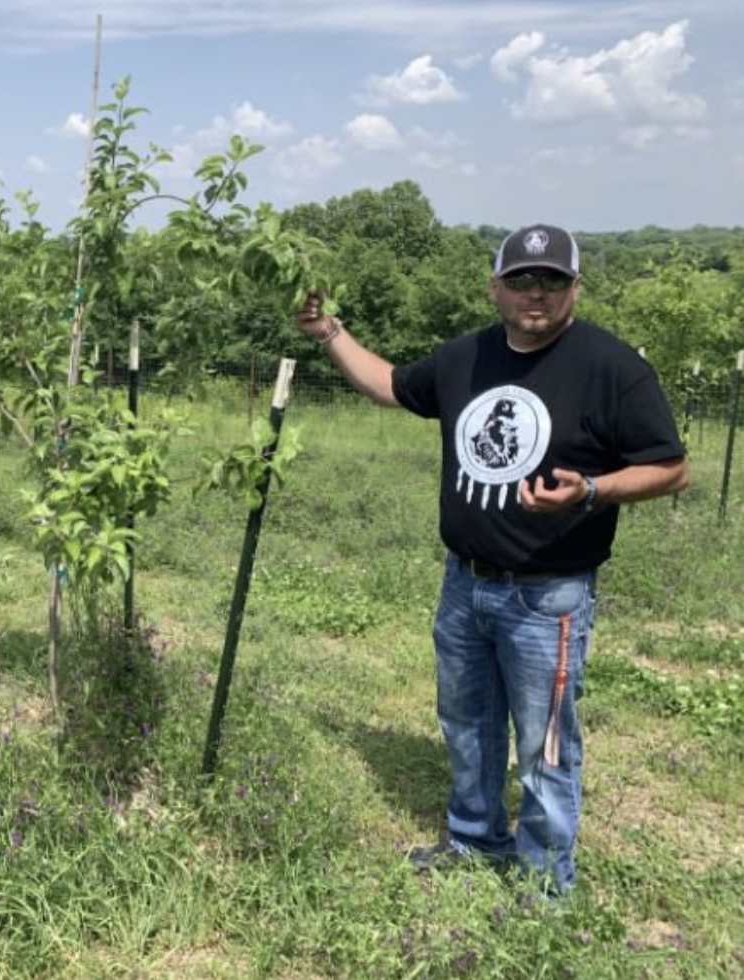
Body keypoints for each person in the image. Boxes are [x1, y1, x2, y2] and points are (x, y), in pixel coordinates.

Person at [294, 224, 688, 894]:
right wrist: (331, 333)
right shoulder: (465, 357)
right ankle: (476, 841)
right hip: (465, 586)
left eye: (553, 280)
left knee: (544, 744)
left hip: (549, 595)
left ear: (574, 288)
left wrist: (592, 491)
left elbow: (671, 468)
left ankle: (545, 882)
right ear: (495, 286)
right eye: (523, 279)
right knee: (467, 724)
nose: (537, 292)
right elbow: (390, 384)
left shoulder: (612, 366)